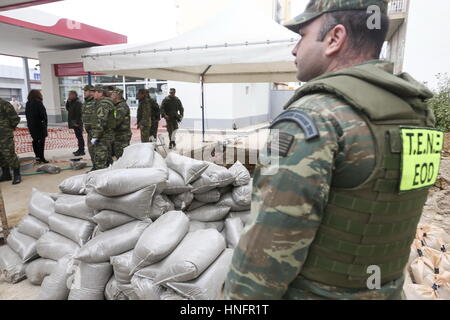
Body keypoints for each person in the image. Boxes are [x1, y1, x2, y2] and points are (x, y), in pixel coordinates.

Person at [223, 0, 442, 300]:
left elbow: (266, 255)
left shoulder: (313, 117)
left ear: (334, 39)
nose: (294, 49)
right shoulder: (416, 114)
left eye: (302, 35)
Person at [91, 85, 115, 170]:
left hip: (103, 136)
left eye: (94, 92)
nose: (92, 93)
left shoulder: (103, 104)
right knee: (107, 158)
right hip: (105, 135)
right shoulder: (102, 102)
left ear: (100, 93)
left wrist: (95, 136)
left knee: (101, 160)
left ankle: (100, 179)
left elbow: (101, 121)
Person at [0, 98, 21, 185]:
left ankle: (17, 174)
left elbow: (15, 119)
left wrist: (8, 129)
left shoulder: (4, 104)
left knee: (9, 153)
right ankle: (6, 174)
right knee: (0, 155)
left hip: (4, 134)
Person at [25, 90, 48, 164]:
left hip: (31, 126)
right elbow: (43, 115)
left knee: (35, 141)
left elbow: (27, 115)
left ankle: (37, 157)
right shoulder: (38, 103)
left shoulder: (28, 103)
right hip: (40, 126)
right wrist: (45, 123)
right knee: (41, 142)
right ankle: (42, 158)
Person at [111, 87, 132, 159]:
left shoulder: (121, 106)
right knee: (119, 155)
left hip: (122, 136)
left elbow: (116, 121)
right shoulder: (116, 105)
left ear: (117, 95)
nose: (111, 96)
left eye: (112, 94)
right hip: (119, 135)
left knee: (122, 156)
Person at [66, 91, 85, 156]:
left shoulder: (78, 103)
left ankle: (82, 150)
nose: (69, 96)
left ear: (74, 95)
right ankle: (79, 149)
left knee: (80, 137)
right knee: (78, 136)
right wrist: (68, 101)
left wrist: (76, 123)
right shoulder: (72, 102)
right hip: (73, 122)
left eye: (70, 95)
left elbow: (78, 114)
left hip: (77, 123)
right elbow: (68, 109)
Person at [82, 85, 96, 161]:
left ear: (91, 92)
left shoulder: (95, 102)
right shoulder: (86, 102)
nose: (84, 93)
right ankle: (95, 166)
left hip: (95, 130)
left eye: (85, 91)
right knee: (91, 149)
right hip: (89, 131)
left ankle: (99, 167)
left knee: (96, 150)